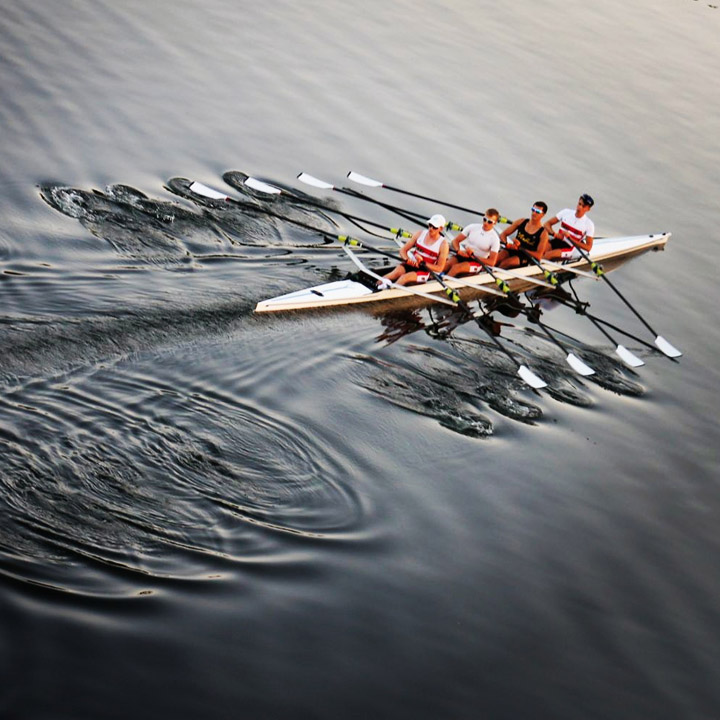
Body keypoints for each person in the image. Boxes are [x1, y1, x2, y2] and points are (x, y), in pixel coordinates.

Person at [377, 214, 449, 289]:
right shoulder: (420, 234)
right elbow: (403, 250)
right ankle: (375, 285)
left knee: (404, 278)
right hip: (412, 263)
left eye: (434, 227)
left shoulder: (443, 244)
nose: (431, 228)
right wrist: (407, 259)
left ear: (441, 229)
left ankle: (388, 293)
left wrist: (422, 262)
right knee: (396, 272)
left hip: (424, 270)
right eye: (430, 225)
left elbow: (439, 268)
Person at [444, 209, 501, 277]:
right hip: (464, 255)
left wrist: (473, 256)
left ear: (495, 223)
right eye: (484, 219)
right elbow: (455, 241)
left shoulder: (494, 239)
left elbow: (492, 262)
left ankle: (441, 284)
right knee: (446, 265)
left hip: (477, 262)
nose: (486, 223)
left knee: (456, 268)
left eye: (489, 222)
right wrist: (458, 250)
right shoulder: (473, 227)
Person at [497, 201, 550, 268]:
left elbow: (539, 256)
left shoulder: (543, 233)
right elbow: (503, 235)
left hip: (526, 256)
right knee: (497, 259)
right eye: (533, 210)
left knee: (505, 263)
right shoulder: (521, 221)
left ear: (543, 214)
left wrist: (521, 248)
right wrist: (507, 244)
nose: (534, 213)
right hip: (513, 249)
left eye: (538, 212)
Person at [543, 194, 595, 260]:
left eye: (583, 206)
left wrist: (569, 237)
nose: (579, 207)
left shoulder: (589, 224)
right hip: (557, 241)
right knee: (541, 250)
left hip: (570, 247)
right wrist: (555, 234)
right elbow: (547, 224)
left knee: (548, 255)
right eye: (579, 204)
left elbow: (588, 247)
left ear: (588, 209)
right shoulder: (566, 212)